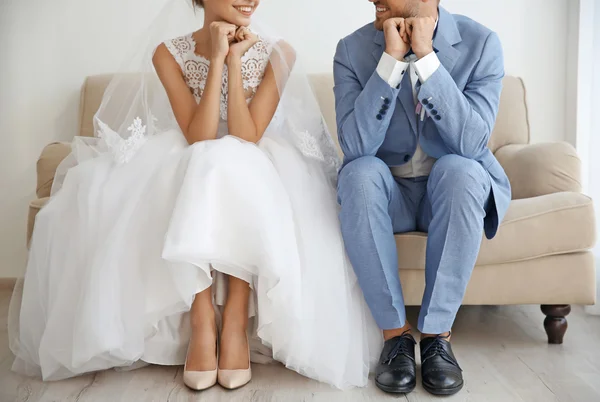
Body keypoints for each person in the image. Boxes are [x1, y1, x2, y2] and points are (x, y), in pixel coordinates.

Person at [9, 0, 380, 391]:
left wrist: (236, 61)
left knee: (232, 162)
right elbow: (199, 136)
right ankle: (203, 319)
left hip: (257, 157)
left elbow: (246, 136)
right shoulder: (169, 53)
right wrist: (217, 58)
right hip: (192, 154)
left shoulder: (278, 52)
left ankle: (235, 318)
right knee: (207, 161)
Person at [334, 0, 511, 396]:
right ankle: (395, 337)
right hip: (388, 194)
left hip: (448, 193)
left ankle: (436, 338)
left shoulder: (480, 44)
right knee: (359, 174)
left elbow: (472, 142)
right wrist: (391, 61)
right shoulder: (351, 50)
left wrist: (428, 58)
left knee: (463, 170)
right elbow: (356, 146)